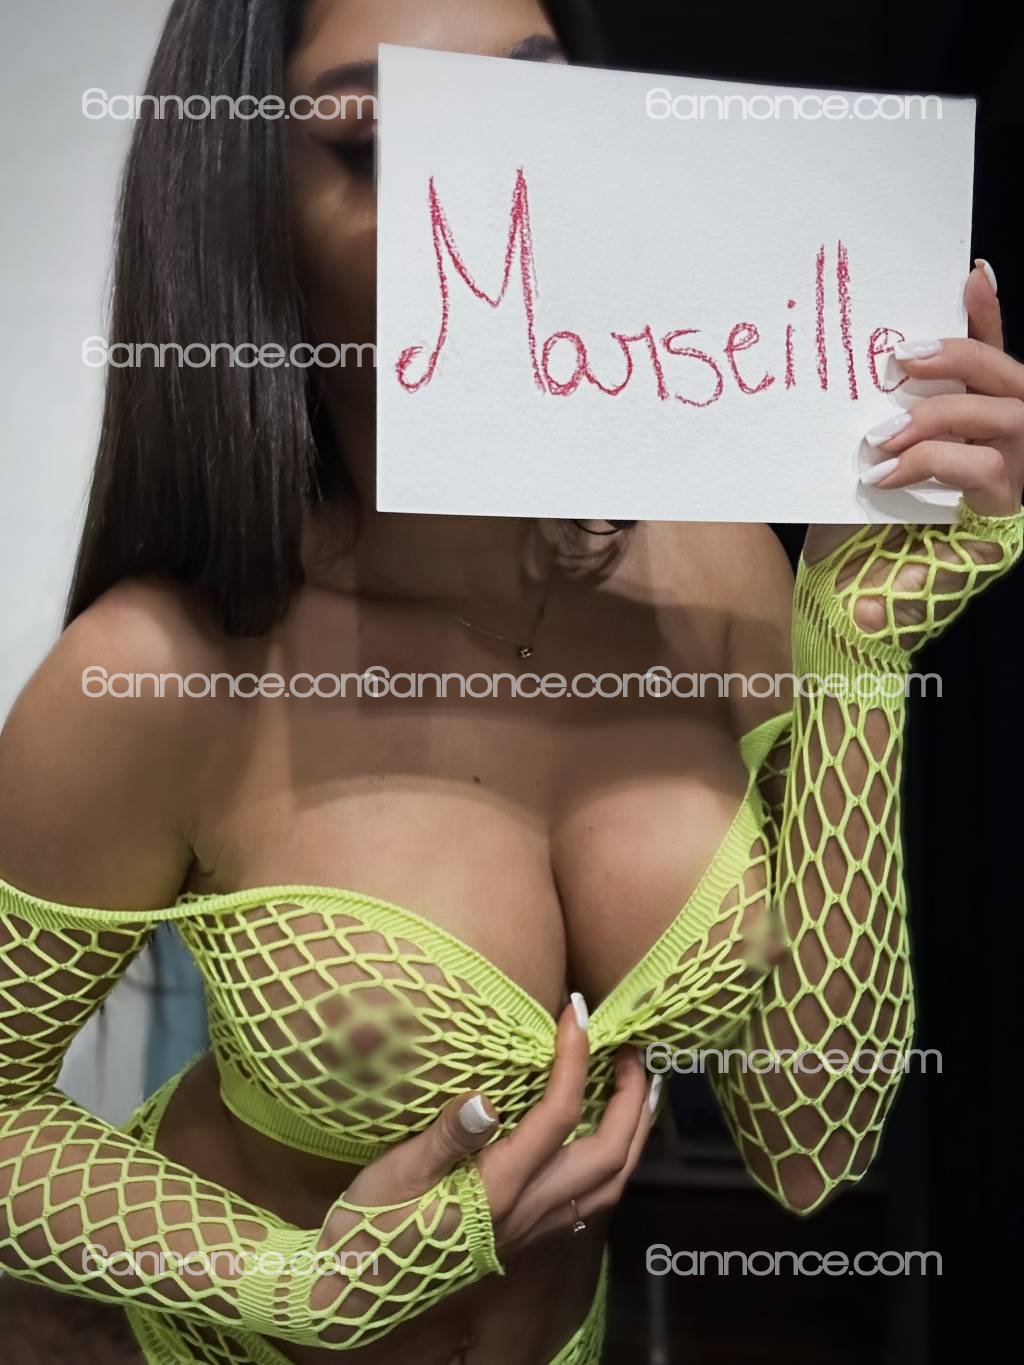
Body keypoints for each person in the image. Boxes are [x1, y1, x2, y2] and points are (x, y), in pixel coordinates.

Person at [1, 1, 1022, 1362]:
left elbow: (806, 1146)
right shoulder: (162, 667)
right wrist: (288, 1281)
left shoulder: (715, 569)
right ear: (246, 215)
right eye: (379, 144)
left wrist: (860, 657)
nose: (484, 198)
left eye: (532, 116)